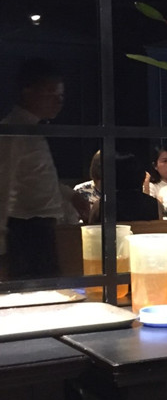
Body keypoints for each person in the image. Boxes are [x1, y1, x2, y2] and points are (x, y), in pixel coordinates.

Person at [0, 58, 88, 278]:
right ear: (27, 91)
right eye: (50, 92)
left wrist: (71, 196)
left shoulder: (31, 129)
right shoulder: (12, 131)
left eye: (61, 95)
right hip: (24, 227)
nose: (58, 100)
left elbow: (36, 176)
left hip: (41, 226)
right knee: (33, 288)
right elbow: (3, 183)